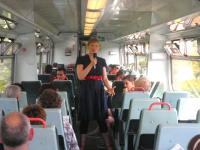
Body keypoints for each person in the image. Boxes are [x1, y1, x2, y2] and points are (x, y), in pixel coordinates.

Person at [76, 38, 115, 150]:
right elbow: (81, 76)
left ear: (99, 48)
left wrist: (110, 88)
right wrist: (91, 64)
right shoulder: (81, 59)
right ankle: (82, 146)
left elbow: (105, 78)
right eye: (92, 45)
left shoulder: (102, 60)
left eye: (96, 46)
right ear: (88, 46)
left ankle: (109, 146)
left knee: (101, 118)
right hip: (86, 89)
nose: (94, 47)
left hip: (98, 90)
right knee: (84, 119)